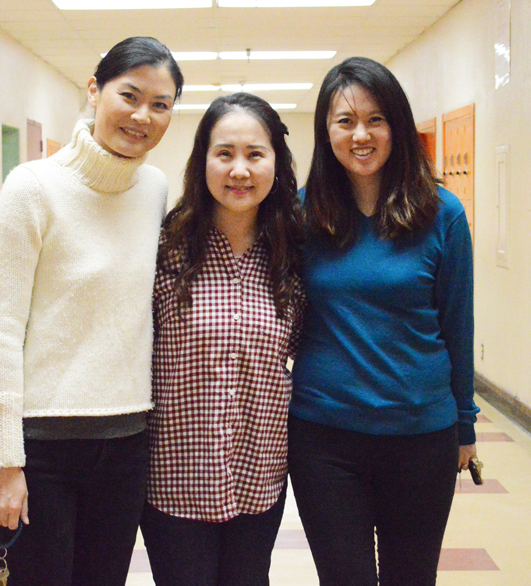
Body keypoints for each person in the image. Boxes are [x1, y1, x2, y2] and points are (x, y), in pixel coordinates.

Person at [0, 36, 184, 586]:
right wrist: (4, 462)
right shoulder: (32, 188)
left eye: (161, 105)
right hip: (42, 446)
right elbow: (0, 332)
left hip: (126, 443)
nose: (143, 116)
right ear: (94, 91)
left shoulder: (156, 190)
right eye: (130, 95)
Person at [287, 56, 480, 586]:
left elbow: (457, 326)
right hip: (324, 437)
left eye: (376, 119)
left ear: (397, 123)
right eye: (345, 121)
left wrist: (465, 424)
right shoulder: (302, 215)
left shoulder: (443, 214)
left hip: (420, 437)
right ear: (326, 131)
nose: (361, 135)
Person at [140, 92, 306, 586]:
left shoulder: (294, 252)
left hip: (260, 472)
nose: (240, 170)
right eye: (224, 153)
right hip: (175, 477)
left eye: (255, 154)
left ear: (276, 160)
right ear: (202, 161)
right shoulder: (164, 247)